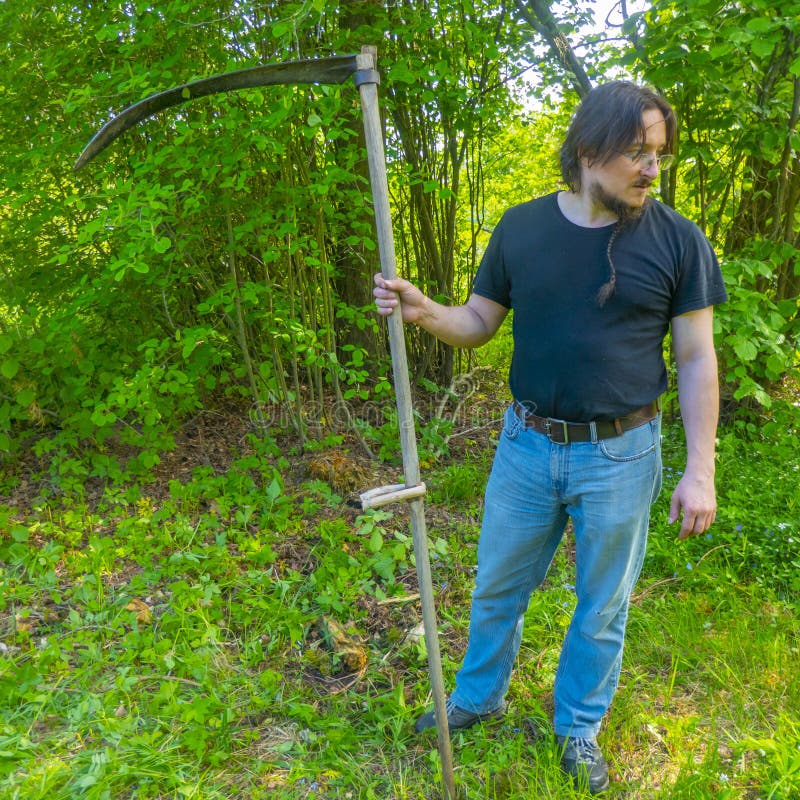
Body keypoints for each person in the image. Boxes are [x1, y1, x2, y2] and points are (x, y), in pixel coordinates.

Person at [373, 81, 727, 794]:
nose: (652, 168)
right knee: (498, 584)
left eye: (657, 152)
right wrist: (424, 312)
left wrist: (701, 468)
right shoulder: (523, 228)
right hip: (527, 447)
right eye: (636, 152)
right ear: (588, 149)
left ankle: (578, 730)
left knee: (602, 604)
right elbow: (476, 324)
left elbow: (695, 358)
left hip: (623, 453)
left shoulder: (678, 241)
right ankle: (477, 697)